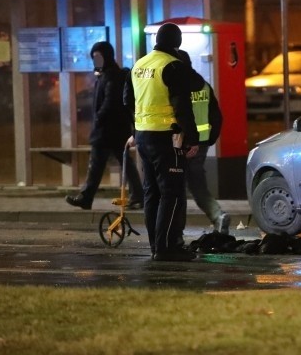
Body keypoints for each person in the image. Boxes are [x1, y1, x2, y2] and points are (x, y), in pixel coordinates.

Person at [124, 22, 204, 262]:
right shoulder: (173, 66)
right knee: (172, 193)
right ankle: (167, 248)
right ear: (177, 43)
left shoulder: (139, 65)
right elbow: (182, 107)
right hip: (167, 137)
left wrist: (136, 130)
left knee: (152, 193)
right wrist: (192, 138)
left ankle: (155, 245)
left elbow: (127, 100)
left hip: (143, 136)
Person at [65, 41, 143, 210]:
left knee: (97, 163)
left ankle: (87, 197)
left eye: (98, 57)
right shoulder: (107, 74)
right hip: (115, 129)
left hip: (108, 130)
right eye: (94, 58)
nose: (95, 61)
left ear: (106, 56)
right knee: (121, 163)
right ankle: (138, 195)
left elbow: (110, 101)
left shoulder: (111, 76)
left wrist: (99, 118)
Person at [176, 50, 230, 234]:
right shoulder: (203, 85)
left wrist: (189, 140)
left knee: (175, 189)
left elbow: (182, 116)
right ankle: (218, 215)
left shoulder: (179, 86)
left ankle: (176, 229)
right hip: (202, 143)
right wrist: (208, 139)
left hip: (183, 144)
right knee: (197, 185)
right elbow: (217, 116)